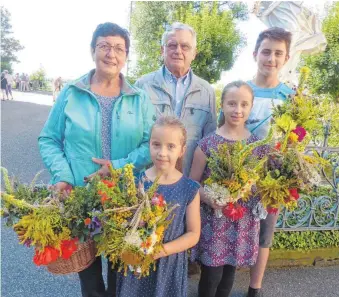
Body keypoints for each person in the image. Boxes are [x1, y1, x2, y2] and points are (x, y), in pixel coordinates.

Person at [38, 22, 156, 297]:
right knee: (90, 283)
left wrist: (117, 166)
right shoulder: (71, 93)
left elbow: (150, 145)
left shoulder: (139, 99)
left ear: (126, 56)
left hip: (124, 202)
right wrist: (63, 175)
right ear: (93, 51)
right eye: (104, 46)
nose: (111, 54)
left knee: (120, 279)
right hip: (80, 200)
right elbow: (48, 139)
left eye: (118, 48)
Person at [190, 81, 268, 297]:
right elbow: (192, 183)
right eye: (232, 103)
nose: (238, 110)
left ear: (251, 107)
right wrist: (208, 197)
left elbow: (262, 184)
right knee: (211, 276)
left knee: (228, 277)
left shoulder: (256, 147)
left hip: (242, 223)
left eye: (244, 104)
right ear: (222, 105)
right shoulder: (207, 144)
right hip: (214, 223)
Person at [112, 116, 201, 297]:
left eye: (170, 146)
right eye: (156, 144)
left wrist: (162, 251)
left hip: (169, 265)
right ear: (149, 145)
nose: (162, 152)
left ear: (182, 150)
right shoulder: (136, 182)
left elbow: (193, 234)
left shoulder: (189, 189)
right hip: (136, 263)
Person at [246, 27, 295, 297]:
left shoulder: (290, 97)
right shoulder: (242, 90)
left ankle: (255, 287)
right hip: (239, 173)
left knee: (265, 233)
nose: (271, 59)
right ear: (255, 54)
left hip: (273, 177)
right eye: (266, 52)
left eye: (278, 53)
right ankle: (224, 280)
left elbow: (295, 139)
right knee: (235, 224)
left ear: (286, 58)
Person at [135, 22, 217, 177]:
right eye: (172, 45)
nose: (178, 51)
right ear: (162, 50)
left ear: (194, 53)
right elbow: (135, 138)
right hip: (148, 183)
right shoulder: (143, 86)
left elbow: (209, 143)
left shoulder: (207, 92)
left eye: (185, 46)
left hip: (189, 182)